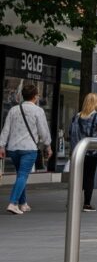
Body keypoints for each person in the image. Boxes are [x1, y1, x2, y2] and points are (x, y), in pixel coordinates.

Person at [1, 84, 51, 215]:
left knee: (20, 175)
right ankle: (13, 203)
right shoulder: (38, 111)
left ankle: (23, 204)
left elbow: (6, 129)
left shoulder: (13, 110)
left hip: (13, 148)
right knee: (23, 175)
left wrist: (2, 145)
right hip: (29, 148)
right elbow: (43, 131)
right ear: (35, 96)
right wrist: (48, 145)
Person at [69, 93, 97, 212]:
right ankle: (87, 203)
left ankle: (72, 202)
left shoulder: (76, 117)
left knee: (78, 177)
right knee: (89, 177)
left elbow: (71, 133)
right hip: (92, 152)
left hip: (78, 152)